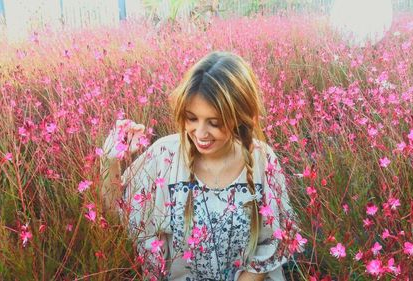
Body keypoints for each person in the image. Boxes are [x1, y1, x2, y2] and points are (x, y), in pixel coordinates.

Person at [101, 51, 296, 281]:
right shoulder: (164, 155)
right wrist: (109, 159)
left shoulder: (263, 160)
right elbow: (117, 212)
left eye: (214, 123)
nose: (200, 133)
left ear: (240, 116)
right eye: (191, 118)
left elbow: (274, 241)